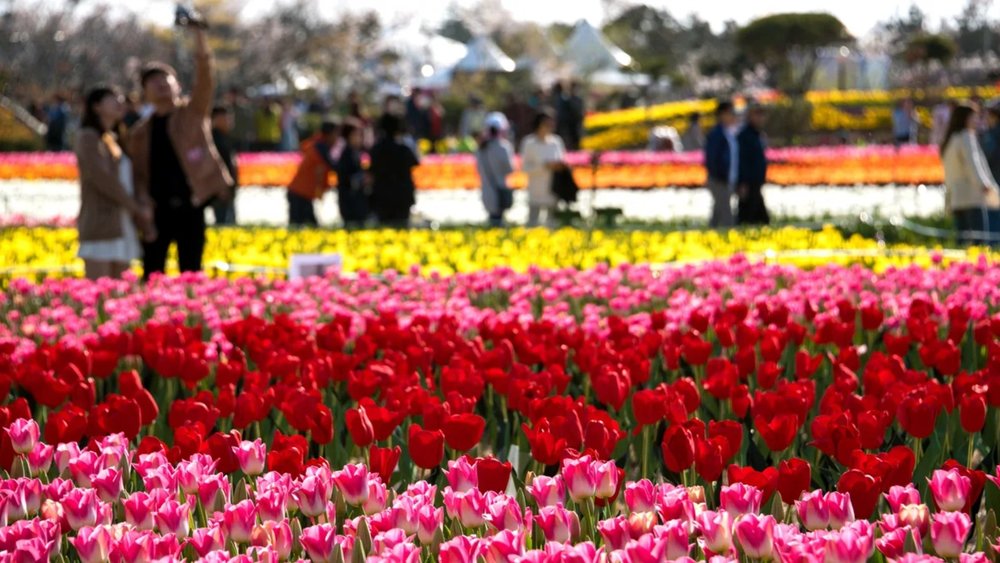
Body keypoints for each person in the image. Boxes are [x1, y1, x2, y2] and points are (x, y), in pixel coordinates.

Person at [129, 26, 233, 279]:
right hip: (157, 209)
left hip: (192, 203)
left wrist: (199, 37)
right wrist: (143, 202)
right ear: (145, 92)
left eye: (166, 80)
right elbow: (138, 174)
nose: (161, 85)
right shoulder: (140, 132)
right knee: (152, 272)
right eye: (153, 82)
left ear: (178, 86)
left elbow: (206, 76)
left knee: (191, 272)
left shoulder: (192, 113)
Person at [75, 87, 152, 280]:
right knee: (100, 294)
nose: (120, 102)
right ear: (96, 106)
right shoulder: (88, 137)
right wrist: (135, 207)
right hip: (102, 222)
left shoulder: (113, 138)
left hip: (122, 220)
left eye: (120, 98)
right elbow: (102, 179)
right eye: (112, 99)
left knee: (120, 295)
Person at [941, 102, 1000, 245]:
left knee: (962, 242)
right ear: (965, 118)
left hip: (956, 197)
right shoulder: (967, 137)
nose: (977, 121)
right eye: (974, 117)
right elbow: (973, 165)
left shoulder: (950, 139)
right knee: (978, 242)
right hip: (972, 197)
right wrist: (985, 185)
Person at [286, 121, 340, 227]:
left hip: (301, 192)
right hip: (300, 193)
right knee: (302, 226)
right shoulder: (320, 149)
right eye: (336, 134)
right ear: (329, 134)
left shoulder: (317, 144)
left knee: (304, 226)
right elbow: (331, 168)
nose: (337, 138)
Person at [369, 114, 419, 227]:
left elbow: (371, 171)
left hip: (381, 197)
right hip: (402, 197)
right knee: (402, 229)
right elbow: (415, 162)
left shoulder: (376, 149)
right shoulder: (403, 149)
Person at [521, 109, 566, 227]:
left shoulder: (556, 142)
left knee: (552, 223)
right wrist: (543, 166)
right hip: (536, 189)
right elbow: (525, 167)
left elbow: (562, 161)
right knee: (533, 223)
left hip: (553, 189)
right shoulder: (529, 143)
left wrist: (558, 166)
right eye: (546, 124)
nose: (549, 127)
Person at [476, 112, 516, 227]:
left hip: (487, 189)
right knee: (499, 221)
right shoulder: (503, 147)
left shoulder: (481, 148)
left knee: (492, 219)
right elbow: (510, 169)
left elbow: (478, 169)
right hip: (500, 188)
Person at [704, 100, 738, 228]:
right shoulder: (717, 134)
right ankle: (730, 242)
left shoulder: (728, 132)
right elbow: (712, 158)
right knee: (727, 216)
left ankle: (710, 237)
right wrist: (719, 177)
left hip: (725, 179)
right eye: (731, 113)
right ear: (722, 114)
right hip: (719, 180)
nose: (733, 116)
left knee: (717, 214)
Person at [736, 105, 770, 226]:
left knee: (758, 218)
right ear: (749, 116)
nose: (760, 118)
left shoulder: (758, 134)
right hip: (748, 184)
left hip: (756, 183)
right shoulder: (744, 135)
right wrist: (742, 182)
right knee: (747, 217)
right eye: (757, 115)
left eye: (761, 115)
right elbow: (741, 161)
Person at [335, 119, 370, 227]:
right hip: (350, 203)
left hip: (356, 203)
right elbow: (346, 179)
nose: (360, 138)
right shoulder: (346, 155)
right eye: (357, 134)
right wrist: (364, 178)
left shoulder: (356, 152)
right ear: (348, 136)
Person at [210, 106, 238, 225]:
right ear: (216, 119)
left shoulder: (224, 137)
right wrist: (221, 186)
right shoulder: (213, 140)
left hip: (227, 189)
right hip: (221, 190)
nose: (230, 121)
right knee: (223, 224)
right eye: (227, 118)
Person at [981, 104, 1000, 185]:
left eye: (988, 116)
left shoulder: (991, 134)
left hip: (995, 173)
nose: (986, 119)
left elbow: (987, 154)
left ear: (995, 117)